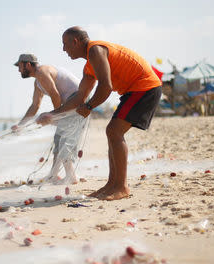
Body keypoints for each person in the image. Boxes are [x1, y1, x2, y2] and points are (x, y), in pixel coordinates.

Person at [37, 26, 162, 200]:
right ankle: (112, 185)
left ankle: (121, 187)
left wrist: (89, 107)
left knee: (114, 131)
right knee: (112, 132)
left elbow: (106, 87)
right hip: (134, 90)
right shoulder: (89, 64)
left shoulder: (96, 50)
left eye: (65, 44)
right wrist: (53, 114)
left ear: (76, 41)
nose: (63, 49)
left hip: (144, 86)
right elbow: (80, 96)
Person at [12, 53, 88, 184]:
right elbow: (35, 106)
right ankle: (54, 174)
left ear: (28, 64)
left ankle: (71, 176)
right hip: (69, 105)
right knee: (58, 139)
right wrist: (21, 125)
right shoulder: (38, 82)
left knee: (65, 138)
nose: (19, 70)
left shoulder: (42, 72)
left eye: (20, 66)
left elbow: (55, 94)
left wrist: (54, 115)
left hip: (78, 100)